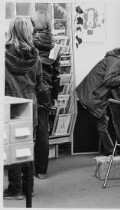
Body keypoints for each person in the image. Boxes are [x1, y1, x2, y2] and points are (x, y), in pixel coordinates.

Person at [4, 17, 47, 200]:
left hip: (10, 102)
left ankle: (15, 189)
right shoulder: (36, 55)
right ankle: (28, 188)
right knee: (27, 146)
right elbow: (40, 84)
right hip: (30, 103)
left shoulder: (4, 54)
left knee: (12, 147)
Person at [31, 10, 61, 180]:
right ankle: (41, 171)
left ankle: (23, 170)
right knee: (43, 130)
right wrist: (55, 96)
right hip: (46, 91)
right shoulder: (56, 46)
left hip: (29, 90)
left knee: (25, 129)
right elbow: (56, 75)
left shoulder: (28, 43)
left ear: (34, 24)